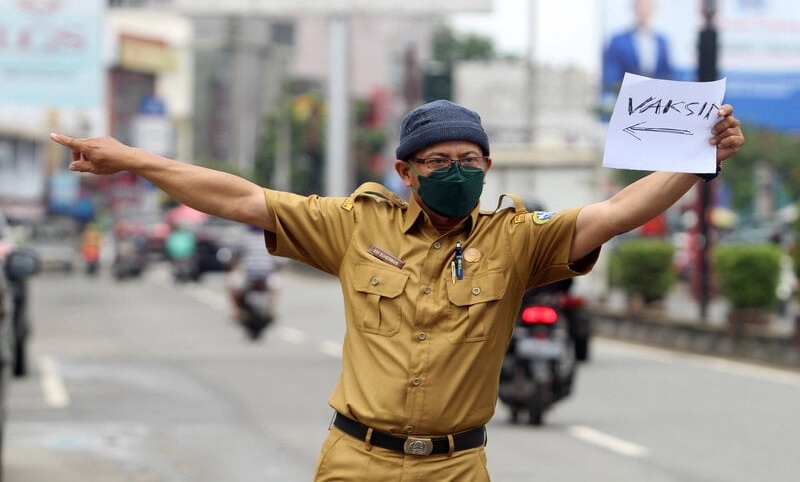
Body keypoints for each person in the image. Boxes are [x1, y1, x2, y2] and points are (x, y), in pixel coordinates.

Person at [50, 98, 744, 480]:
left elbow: (617, 212)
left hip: (456, 466)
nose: (455, 172)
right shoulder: (356, 226)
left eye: (468, 162)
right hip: (357, 460)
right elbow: (241, 199)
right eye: (438, 162)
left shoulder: (518, 238)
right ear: (407, 171)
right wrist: (131, 159)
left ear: (488, 165)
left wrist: (696, 157)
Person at [601, 0, 675, 112]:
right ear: (634, 9)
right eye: (641, 8)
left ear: (653, 10)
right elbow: (611, 76)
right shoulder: (618, 41)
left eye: (647, 8)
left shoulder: (662, 41)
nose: (644, 12)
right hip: (626, 101)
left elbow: (667, 74)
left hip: (655, 102)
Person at [225, 224, 285, 322]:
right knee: (277, 286)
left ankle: (270, 309)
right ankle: (238, 309)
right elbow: (280, 261)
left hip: (264, 275)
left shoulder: (244, 237)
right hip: (250, 275)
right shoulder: (272, 238)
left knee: (230, 284)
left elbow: (233, 256)